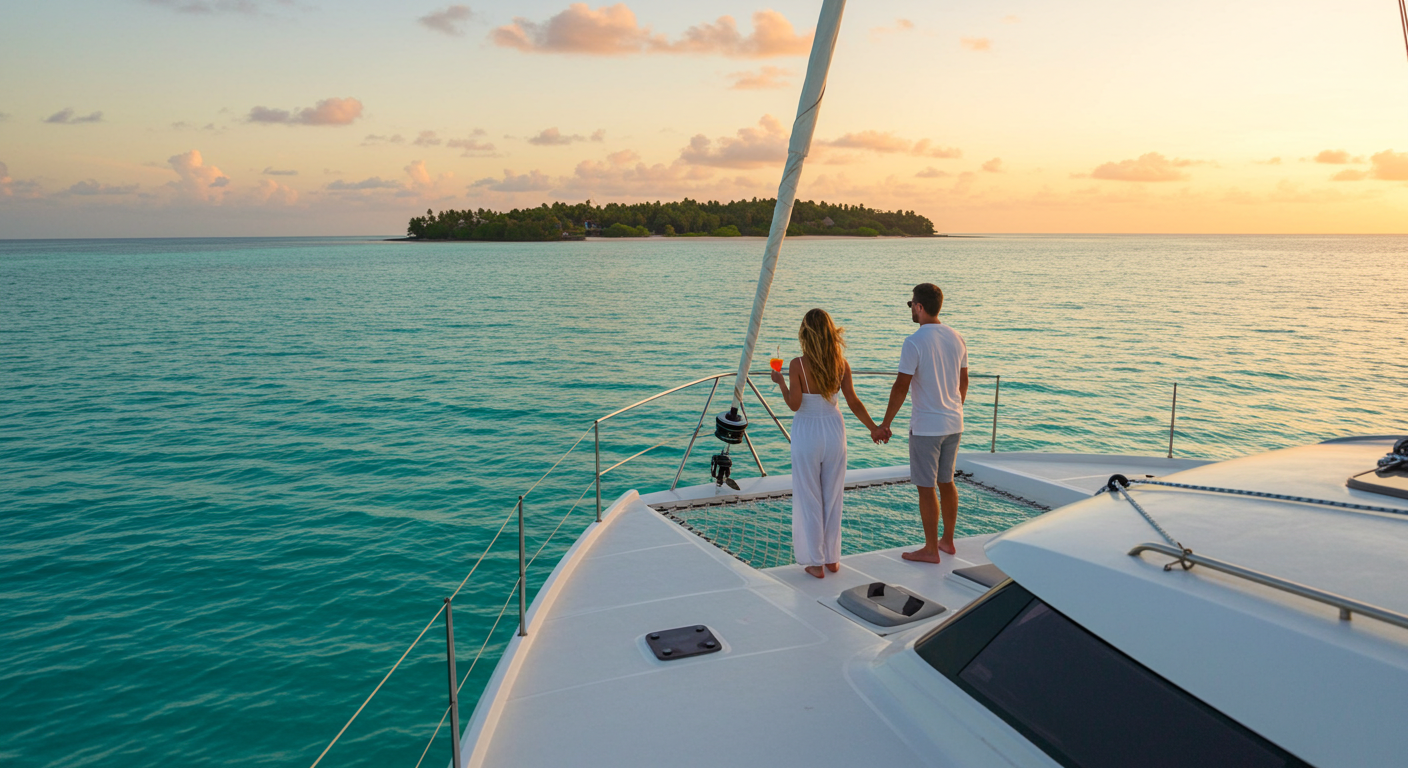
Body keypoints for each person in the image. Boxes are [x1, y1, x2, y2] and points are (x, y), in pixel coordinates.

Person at [770, 309, 888, 579]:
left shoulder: (797, 365)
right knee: (833, 496)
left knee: (809, 496)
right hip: (834, 430)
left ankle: (815, 562)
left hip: (807, 432)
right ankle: (833, 559)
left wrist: (780, 383)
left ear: (805, 333)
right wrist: (874, 428)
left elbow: (794, 405)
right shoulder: (841, 364)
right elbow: (854, 402)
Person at [879, 283, 968, 564]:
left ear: (919, 306)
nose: (912, 310)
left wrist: (885, 423)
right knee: (947, 482)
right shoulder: (957, 337)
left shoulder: (914, 342)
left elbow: (901, 387)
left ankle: (930, 549)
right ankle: (948, 541)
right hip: (954, 422)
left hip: (927, 427)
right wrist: (953, 407)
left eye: (912, 305)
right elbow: (964, 380)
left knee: (926, 487)